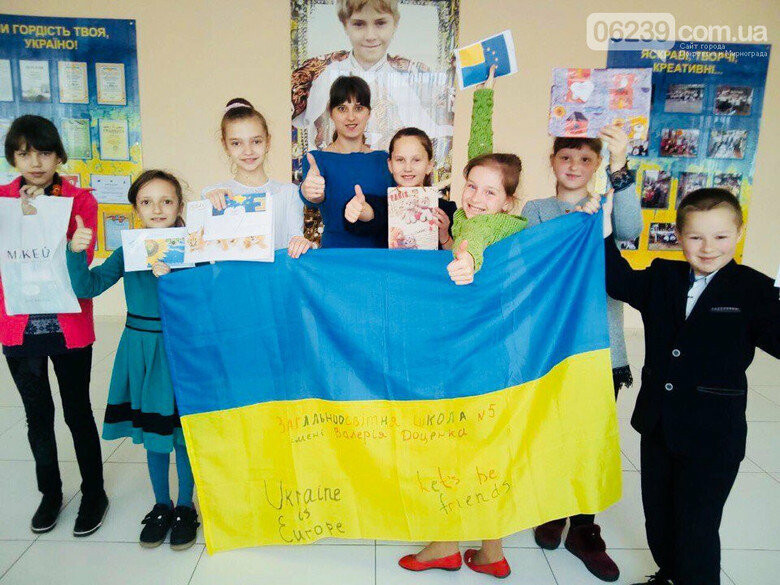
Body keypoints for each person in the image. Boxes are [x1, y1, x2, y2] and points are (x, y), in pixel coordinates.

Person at [600, 188, 779, 585]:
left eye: (721, 237)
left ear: (739, 233)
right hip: (658, 426)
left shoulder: (755, 290)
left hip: (713, 436)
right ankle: (669, 575)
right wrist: (604, 234)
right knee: (659, 515)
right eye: (696, 237)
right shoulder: (663, 277)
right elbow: (617, 281)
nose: (708, 248)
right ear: (679, 236)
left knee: (697, 527)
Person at [398, 152, 527, 579]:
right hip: (497, 354)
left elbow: (477, 241)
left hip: (473, 358)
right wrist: (447, 239)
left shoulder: (484, 227)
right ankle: (492, 552)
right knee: (491, 449)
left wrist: (465, 258)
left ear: (508, 201)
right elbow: (471, 235)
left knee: (452, 446)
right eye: (471, 185)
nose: (475, 197)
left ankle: (445, 545)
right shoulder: (499, 222)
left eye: (490, 192)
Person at [522, 128, 642, 583]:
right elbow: (534, 259)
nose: (575, 166)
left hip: (601, 346)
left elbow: (630, 231)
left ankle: (585, 529)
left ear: (596, 165)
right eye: (566, 157)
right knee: (554, 431)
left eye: (586, 159)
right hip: (553, 343)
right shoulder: (537, 209)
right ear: (552, 160)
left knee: (592, 438)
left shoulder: (609, 205)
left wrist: (620, 167)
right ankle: (554, 509)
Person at [66, 170, 200, 550]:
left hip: (182, 349)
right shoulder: (129, 250)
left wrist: (176, 280)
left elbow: (209, 297)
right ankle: (161, 504)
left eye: (166, 201)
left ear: (179, 205)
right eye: (146, 202)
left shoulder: (194, 246)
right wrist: (75, 252)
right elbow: (87, 286)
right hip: (142, 349)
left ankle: (185, 505)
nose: (157, 209)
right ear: (136, 209)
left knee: (183, 434)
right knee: (155, 434)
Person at [0, 115, 107, 537]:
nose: (35, 162)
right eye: (24, 153)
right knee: (37, 416)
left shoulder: (79, 201)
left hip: (68, 326)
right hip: (19, 327)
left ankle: (94, 493)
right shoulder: (2, 202)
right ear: (13, 158)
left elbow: (81, 265)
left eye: (44, 153)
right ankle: (50, 493)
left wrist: (71, 242)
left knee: (77, 411)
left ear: (59, 156)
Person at [343, 66, 499, 249]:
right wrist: (359, 210)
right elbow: (370, 214)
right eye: (400, 160)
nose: (408, 168)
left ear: (429, 165)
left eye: (416, 160)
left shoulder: (447, 210)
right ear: (390, 165)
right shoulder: (380, 205)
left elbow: (462, 253)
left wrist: (444, 234)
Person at [292, 0, 451, 152]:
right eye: (359, 24)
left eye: (380, 23)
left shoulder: (414, 77)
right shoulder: (322, 74)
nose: (370, 36)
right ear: (345, 24)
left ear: (395, 24)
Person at [203, 98, 312, 257]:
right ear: (225, 145)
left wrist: (301, 243)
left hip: (276, 273)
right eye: (236, 143)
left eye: (256, 141)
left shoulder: (288, 193)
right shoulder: (214, 195)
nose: (248, 151)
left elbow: (295, 239)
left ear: (268, 142)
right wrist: (209, 201)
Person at [300, 75, 394, 248]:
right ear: (331, 113)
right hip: (335, 256)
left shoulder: (384, 160)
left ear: (368, 113)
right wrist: (309, 191)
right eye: (342, 108)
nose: (351, 117)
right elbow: (313, 197)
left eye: (358, 108)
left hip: (380, 257)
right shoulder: (316, 160)